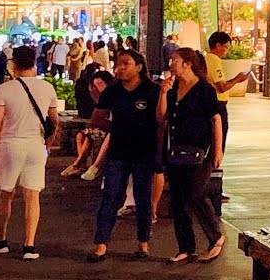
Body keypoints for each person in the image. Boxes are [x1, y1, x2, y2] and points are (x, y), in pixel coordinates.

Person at [0, 45, 60, 261]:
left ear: (13, 64)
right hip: (35, 146)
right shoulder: (47, 88)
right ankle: (29, 245)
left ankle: (1, 240)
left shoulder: (5, 89)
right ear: (34, 62)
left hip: (10, 145)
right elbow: (54, 122)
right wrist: (47, 145)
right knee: (32, 196)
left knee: (6, 194)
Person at [86, 49, 161, 263]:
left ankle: (142, 243)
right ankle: (101, 244)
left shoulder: (152, 90)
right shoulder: (113, 91)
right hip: (118, 152)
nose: (119, 68)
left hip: (144, 152)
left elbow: (162, 119)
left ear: (138, 67)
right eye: (117, 64)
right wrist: (116, 127)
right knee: (110, 197)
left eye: (125, 64)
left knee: (143, 198)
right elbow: (97, 117)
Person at [158, 48, 225, 263]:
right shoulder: (173, 87)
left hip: (200, 151)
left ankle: (215, 236)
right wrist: (163, 92)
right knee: (178, 199)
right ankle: (186, 247)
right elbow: (162, 117)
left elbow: (216, 119)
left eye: (175, 60)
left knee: (195, 192)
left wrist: (218, 149)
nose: (171, 63)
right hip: (176, 150)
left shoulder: (204, 89)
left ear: (187, 63)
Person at [61, 70, 114, 178]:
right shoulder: (100, 98)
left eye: (100, 84)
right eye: (96, 84)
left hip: (106, 129)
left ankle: (79, 164)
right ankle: (81, 164)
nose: (98, 87)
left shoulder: (112, 97)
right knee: (81, 136)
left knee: (89, 135)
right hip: (97, 128)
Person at [205, 31, 251, 149]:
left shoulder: (207, 59)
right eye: (226, 46)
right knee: (219, 137)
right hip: (218, 103)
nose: (227, 50)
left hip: (212, 102)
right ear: (218, 45)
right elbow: (222, 87)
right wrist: (237, 79)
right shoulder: (215, 61)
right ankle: (215, 162)